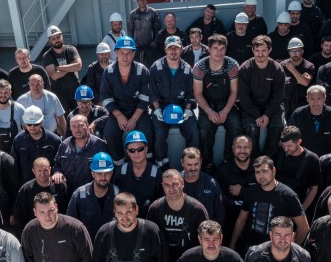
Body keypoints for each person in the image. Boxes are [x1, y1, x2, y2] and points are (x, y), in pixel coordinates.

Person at [229, 156, 309, 253]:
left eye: (264, 171)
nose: (261, 176)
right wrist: (232, 244)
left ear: (273, 171)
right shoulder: (251, 192)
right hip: (250, 248)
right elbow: (241, 221)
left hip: (275, 252)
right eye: (257, 172)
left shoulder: (288, 195)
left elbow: (304, 228)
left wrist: (289, 251)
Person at [100, 36, 154, 160]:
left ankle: (148, 162)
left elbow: (145, 98)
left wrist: (134, 118)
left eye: (128, 53)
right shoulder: (108, 72)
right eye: (122, 53)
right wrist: (118, 115)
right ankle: (118, 164)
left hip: (139, 112)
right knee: (110, 134)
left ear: (134, 53)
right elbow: (105, 96)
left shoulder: (142, 71)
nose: (125, 56)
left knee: (148, 132)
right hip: (117, 111)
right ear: (116, 53)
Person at [192, 34, 242, 170]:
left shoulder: (232, 65)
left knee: (235, 127)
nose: (219, 52)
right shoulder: (199, 67)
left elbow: (234, 92)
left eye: (222, 49)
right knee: (204, 130)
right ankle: (207, 163)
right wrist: (208, 111)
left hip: (227, 103)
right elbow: (197, 93)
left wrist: (225, 111)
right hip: (206, 104)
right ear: (209, 49)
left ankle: (229, 162)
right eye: (215, 48)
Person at [150, 36, 199, 164]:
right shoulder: (156, 67)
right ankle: (162, 163)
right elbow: (152, 92)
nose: (173, 51)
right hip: (161, 107)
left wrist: (188, 109)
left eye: (176, 48)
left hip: (182, 106)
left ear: (181, 49)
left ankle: (190, 163)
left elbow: (190, 92)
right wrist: (157, 109)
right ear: (165, 50)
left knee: (193, 132)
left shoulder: (187, 69)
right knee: (159, 134)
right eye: (170, 48)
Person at [146, 169, 208, 262]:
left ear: (182, 183)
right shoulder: (155, 208)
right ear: (163, 186)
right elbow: (149, 239)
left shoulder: (197, 209)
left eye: (175, 184)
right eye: (167, 185)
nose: (171, 189)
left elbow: (206, 239)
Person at [237, 35, 286, 156]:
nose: (260, 54)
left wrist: (267, 114)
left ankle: (269, 161)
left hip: (272, 108)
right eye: (257, 50)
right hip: (250, 108)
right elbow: (244, 97)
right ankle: (255, 161)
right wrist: (257, 115)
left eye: (263, 50)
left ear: (270, 50)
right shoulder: (245, 69)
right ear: (253, 50)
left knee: (277, 128)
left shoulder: (277, 69)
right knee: (251, 130)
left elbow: (278, 96)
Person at [12, 157, 68, 235]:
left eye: (45, 170)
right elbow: (19, 217)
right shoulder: (26, 190)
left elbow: (68, 211)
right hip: (35, 234)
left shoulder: (60, 186)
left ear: (50, 169)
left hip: (59, 231)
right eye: (39, 171)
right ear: (33, 171)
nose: (42, 174)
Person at [67, 152, 117, 239]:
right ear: (93, 174)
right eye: (99, 173)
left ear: (112, 173)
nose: (103, 177)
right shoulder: (79, 195)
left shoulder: (118, 194)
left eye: (107, 173)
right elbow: (70, 224)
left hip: (111, 244)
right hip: (87, 244)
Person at [54, 113, 108, 193]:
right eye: (74, 126)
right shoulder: (64, 144)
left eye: (80, 126)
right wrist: (57, 172)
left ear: (87, 125)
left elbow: (104, 170)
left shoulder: (99, 145)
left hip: (89, 191)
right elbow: (57, 163)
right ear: (70, 128)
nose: (77, 129)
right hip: (67, 189)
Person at [273, 126, 320, 215]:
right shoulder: (278, 152)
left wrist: (301, 210)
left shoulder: (312, 159)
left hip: (296, 206)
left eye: (289, 146)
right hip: (276, 204)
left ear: (299, 142)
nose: (285, 148)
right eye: (284, 145)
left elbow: (313, 189)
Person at [10, 105, 61, 183]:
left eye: (36, 124)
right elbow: (14, 164)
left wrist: (57, 172)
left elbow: (60, 163)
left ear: (42, 121)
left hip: (49, 184)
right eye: (29, 124)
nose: (32, 127)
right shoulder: (19, 140)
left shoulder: (54, 140)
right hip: (26, 184)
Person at [114, 130, 162, 211]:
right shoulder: (120, 172)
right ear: (127, 152)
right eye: (132, 150)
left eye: (140, 149)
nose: (136, 153)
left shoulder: (157, 173)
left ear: (146, 149)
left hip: (150, 217)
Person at [289, 84, 331, 157]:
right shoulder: (298, 114)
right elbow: (293, 137)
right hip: (303, 156)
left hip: (327, 157)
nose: (315, 103)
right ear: (307, 99)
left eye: (319, 99)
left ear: (324, 98)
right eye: (312, 99)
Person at [217, 134, 256, 230]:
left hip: (253, 219)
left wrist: (243, 191)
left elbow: (265, 194)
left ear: (251, 149)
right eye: (239, 147)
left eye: (246, 147)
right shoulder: (224, 170)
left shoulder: (258, 169)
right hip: (230, 219)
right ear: (233, 148)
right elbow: (220, 199)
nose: (242, 151)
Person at [180, 147, 225, 226]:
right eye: (189, 165)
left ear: (201, 162)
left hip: (205, 230)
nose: (193, 168)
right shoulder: (174, 183)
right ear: (182, 163)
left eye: (196, 164)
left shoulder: (211, 184)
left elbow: (219, 214)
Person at [41, 25, 82, 110]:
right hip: (59, 94)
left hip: (75, 90)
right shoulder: (47, 56)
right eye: (53, 38)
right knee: (63, 116)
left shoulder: (71, 50)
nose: (57, 40)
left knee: (78, 115)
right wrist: (70, 67)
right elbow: (54, 75)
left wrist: (59, 68)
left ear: (62, 36)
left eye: (58, 37)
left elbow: (78, 66)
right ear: (49, 41)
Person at [280, 37, 316, 117]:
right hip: (286, 103)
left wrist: (292, 70)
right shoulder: (282, 65)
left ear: (302, 51)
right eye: (292, 51)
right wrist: (298, 78)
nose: (294, 53)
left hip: (302, 103)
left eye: (297, 51)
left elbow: (305, 82)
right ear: (289, 52)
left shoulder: (308, 66)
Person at [127, 0, 161, 64]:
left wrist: (155, 41)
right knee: (137, 66)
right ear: (137, 1)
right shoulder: (132, 14)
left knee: (150, 65)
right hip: (137, 47)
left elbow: (157, 29)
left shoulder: (153, 12)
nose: (142, 2)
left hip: (150, 46)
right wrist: (132, 42)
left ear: (147, 0)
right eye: (140, 0)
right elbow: (130, 30)